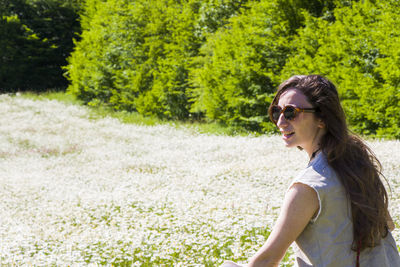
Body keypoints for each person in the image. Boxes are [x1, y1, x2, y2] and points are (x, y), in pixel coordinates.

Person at [222, 75, 400, 267]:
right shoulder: (359, 163)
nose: (280, 121)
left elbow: (268, 259)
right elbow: (387, 226)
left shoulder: (308, 186)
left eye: (291, 112)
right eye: (276, 112)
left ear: (322, 118)